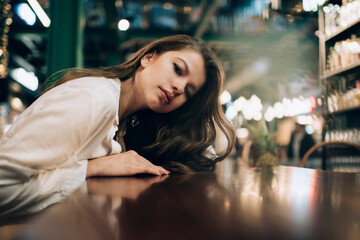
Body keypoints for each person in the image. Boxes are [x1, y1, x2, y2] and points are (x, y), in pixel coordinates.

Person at [0, 35, 235, 215]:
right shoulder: (93, 99)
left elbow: (214, 146)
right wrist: (91, 170)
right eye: (177, 69)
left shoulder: (122, 119)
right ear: (148, 57)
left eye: (189, 92)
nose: (179, 88)